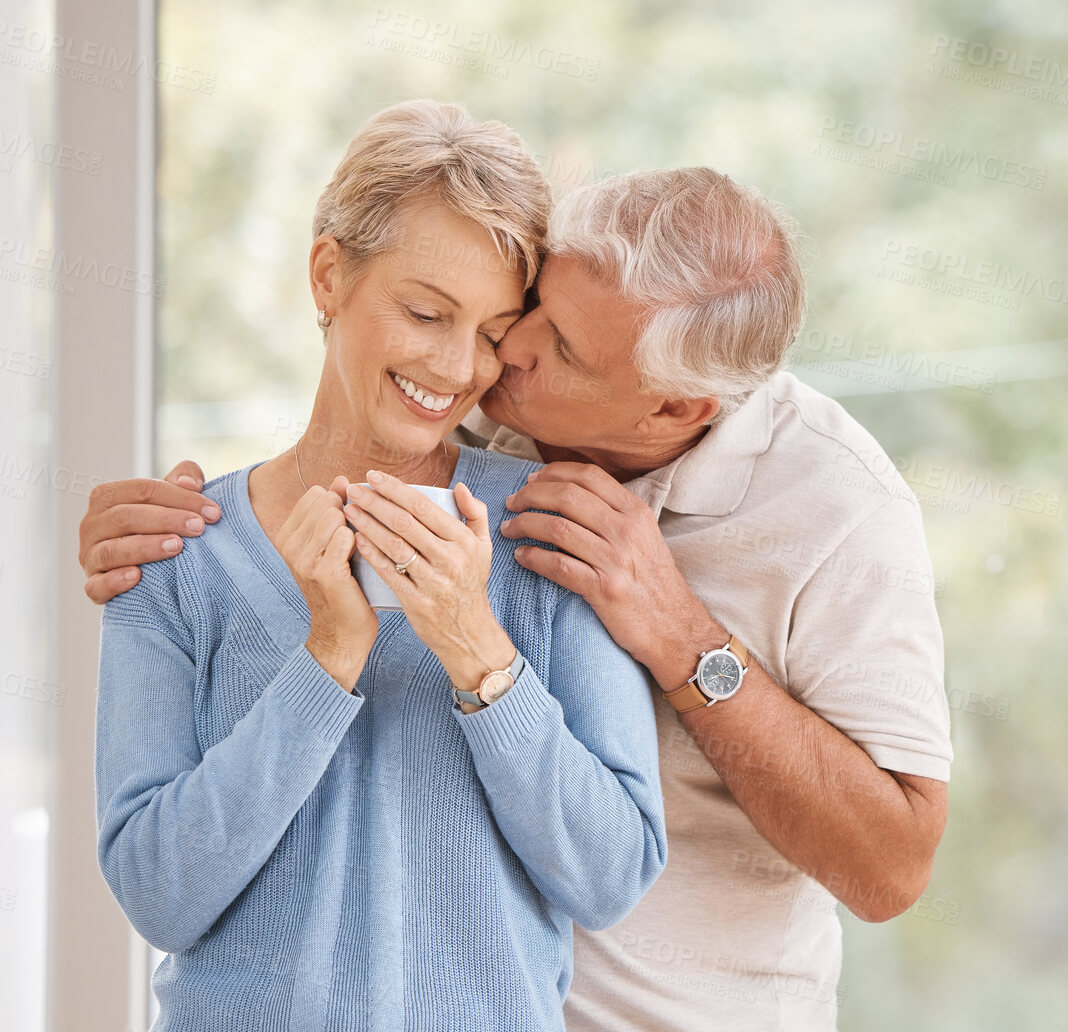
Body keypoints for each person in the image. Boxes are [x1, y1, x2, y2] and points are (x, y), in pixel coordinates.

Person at [82, 166, 951, 1031]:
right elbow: (368, 384)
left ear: (674, 408)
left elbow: (889, 870)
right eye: (529, 307)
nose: (501, 355)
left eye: (558, 346)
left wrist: (682, 638)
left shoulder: (841, 509)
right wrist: (170, 532)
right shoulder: (489, 411)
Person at [92, 100, 666, 1031]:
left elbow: (610, 878)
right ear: (329, 276)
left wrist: (479, 651)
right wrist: (325, 662)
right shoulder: (177, 562)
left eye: (491, 331)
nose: (455, 366)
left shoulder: (548, 534)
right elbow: (159, 895)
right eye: (425, 311)